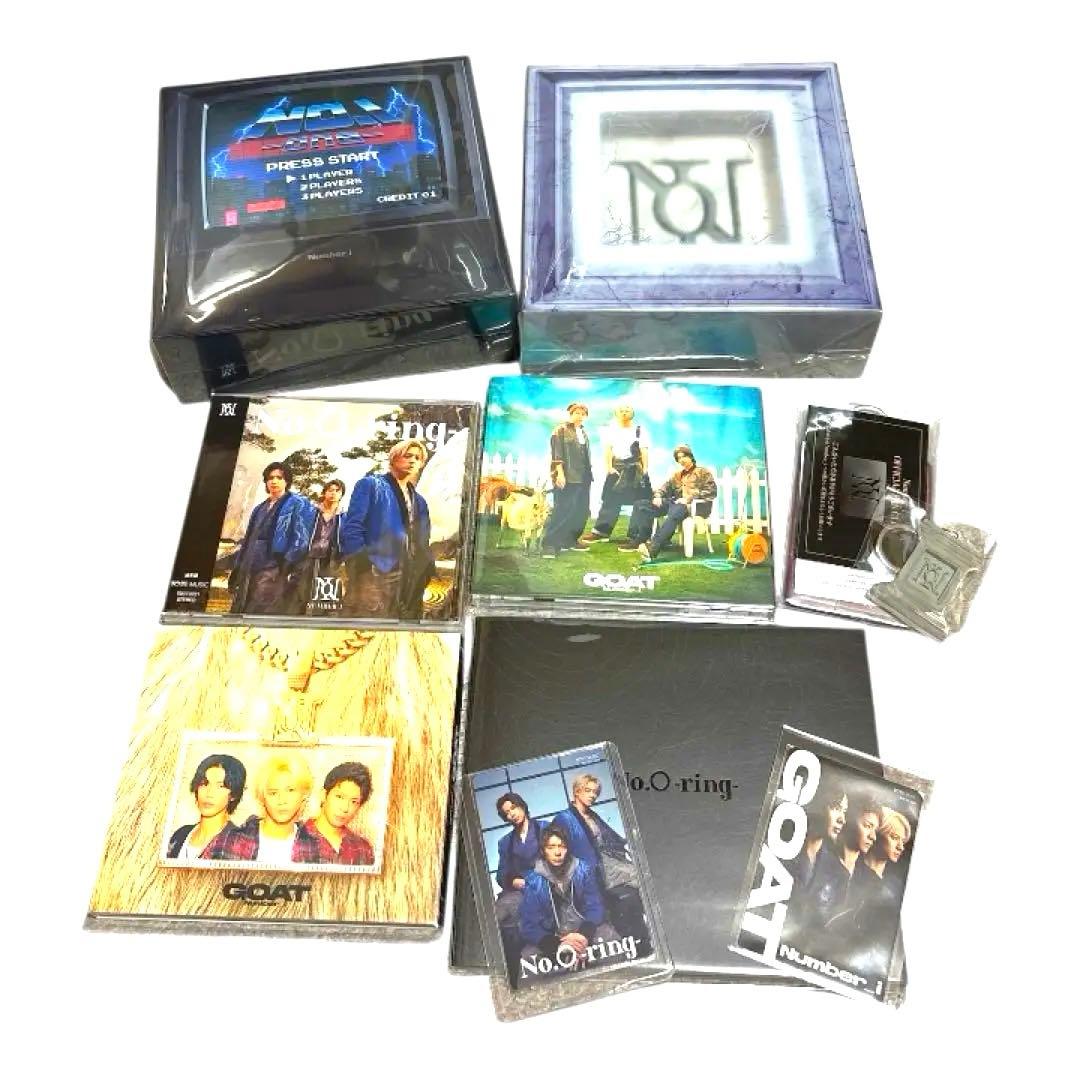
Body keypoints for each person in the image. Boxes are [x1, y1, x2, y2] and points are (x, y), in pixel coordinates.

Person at [341, 439, 434, 619]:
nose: (413, 460)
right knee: (366, 624)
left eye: (417, 458)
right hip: (376, 571)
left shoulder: (419, 501)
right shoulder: (371, 485)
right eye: (408, 455)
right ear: (394, 458)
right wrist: (363, 567)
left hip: (409, 576)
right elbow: (353, 527)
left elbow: (422, 539)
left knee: (402, 628)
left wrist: (425, 568)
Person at [552, 774, 646, 945]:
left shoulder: (593, 816)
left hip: (607, 861)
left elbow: (613, 840)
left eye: (595, 792)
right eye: (588, 790)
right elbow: (557, 851)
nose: (592, 795)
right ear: (577, 791)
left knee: (641, 876)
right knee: (639, 877)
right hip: (591, 869)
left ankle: (645, 933)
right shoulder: (563, 818)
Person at [518, 825, 618, 976]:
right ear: (543, 850)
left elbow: (595, 906)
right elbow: (529, 924)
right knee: (528, 958)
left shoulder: (582, 870)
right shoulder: (533, 880)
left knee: (611, 938)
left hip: (583, 929)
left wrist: (583, 935)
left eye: (562, 846)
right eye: (551, 847)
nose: (557, 852)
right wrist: (557, 944)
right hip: (554, 936)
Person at [202, 752, 313, 865]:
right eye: (273, 793)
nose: (282, 800)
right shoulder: (230, 841)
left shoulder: (314, 846)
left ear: (304, 794)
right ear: (262, 797)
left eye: (290, 791)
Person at [228, 461, 308, 614]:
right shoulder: (260, 508)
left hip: (275, 566)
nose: (274, 481)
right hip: (250, 564)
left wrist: (287, 565)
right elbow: (248, 539)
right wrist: (238, 568)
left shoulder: (297, 504)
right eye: (270, 478)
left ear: (287, 481)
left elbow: (301, 538)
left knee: (263, 608)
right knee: (242, 608)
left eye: (279, 477)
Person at [580, 403, 651, 547]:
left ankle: (637, 535)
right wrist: (609, 468)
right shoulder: (610, 430)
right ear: (616, 414)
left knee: (641, 502)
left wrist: (645, 470)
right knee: (610, 500)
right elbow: (608, 450)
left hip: (636, 469)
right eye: (621, 410)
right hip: (617, 468)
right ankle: (601, 532)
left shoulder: (640, 430)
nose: (624, 412)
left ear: (632, 414)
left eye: (627, 410)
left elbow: (644, 451)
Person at [634, 445, 718, 562]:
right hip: (676, 504)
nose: (681, 460)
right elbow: (664, 487)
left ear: (690, 456)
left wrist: (689, 498)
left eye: (683, 456)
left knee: (677, 509)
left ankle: (653, 548)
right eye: (678, 458)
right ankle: (644, 540)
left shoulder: (703, 472)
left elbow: (711, 491)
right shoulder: (677, 475)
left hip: (695, 507)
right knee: (641, 505)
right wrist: (658, 496)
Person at [166, 754, 247, 860]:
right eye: (204, 784)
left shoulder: (237, 843)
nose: (209, 793)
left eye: (221, 786)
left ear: (233, 794)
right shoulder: (180, 834)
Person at [295, 762, 375, 865]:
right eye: (339, 797)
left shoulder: (363, 849)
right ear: (324, 795)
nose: (345, 808)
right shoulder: (296, 837)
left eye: (354, 802)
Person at [541, 403, 593, 558]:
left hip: (584, 477)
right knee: (562, 509)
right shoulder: (560, 430)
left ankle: (569, 540)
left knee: (580, 510)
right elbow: (557, 454)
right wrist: (560, 474)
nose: (580, 416)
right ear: (570, 414)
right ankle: (549, 544)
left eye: (583, 414)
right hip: (567, 476)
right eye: (577, 413)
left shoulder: (583, 432)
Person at [289, 479, 347, 614]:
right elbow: (300, 531)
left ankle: (323, 620)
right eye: (330, 490)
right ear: (324, 492)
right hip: (308, 556)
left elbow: (345, 537)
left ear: (341, 494)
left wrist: (341, 556)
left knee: (326, 596)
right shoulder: (312, 512)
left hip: (330, 559)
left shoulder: (343, 516)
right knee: (302, 593)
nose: (333, 493)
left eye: (337, 491)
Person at [492, 793, 549, 928]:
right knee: (500, 913)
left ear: (522, 806)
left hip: (547, 885)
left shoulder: (545, 828)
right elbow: (501, 875)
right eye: (507, 813)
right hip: (520, 890)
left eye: (513, 807)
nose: (512, 814)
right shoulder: (505, 842)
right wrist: (513, 881)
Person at [786, 781, 848, 891]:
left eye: (844, 811)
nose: (842, 820)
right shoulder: (782, 846)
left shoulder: (839, 873)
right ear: (818, 806)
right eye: (836, 808)